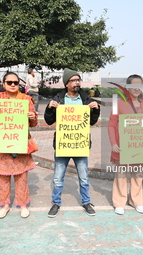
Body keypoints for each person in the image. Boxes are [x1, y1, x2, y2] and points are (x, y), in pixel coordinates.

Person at [44, 68, 100, 217]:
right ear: (66, 83)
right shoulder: (58, 99)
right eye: (74, 80)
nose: (77, 82)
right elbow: (49, 121)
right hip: (63, 144)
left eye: (78, 80)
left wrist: (95, 110)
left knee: (83, 177)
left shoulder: (86, 99)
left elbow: (92, 122)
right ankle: (56, 203)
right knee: (57, 177)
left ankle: (86, 202)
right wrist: (49, 108)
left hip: (80, 144)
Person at [0, 72, 37, 218]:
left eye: (15, 82)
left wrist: (33, 117)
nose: (13, 85)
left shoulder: (26, 100)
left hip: (20, 143)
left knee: (21, 177)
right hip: (2, 143)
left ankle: (23, 204)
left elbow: (32, 124)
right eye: (9, 82)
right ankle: (5, 205)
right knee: (1, 177)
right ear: (3, 84)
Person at [108, 75, 143, 215]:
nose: (136, 88)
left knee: (137, 173)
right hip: (122, 145)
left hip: (138, 144)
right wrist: (113, 143)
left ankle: (136, 201)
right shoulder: (119, 103)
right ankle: (119, 202)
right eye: (133, 85)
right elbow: (111, 125)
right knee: (121, 174)